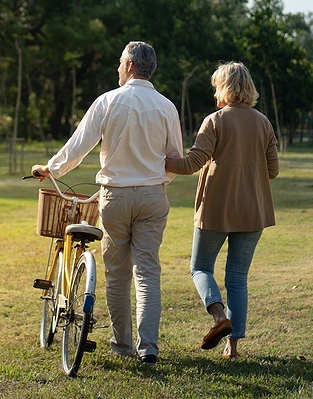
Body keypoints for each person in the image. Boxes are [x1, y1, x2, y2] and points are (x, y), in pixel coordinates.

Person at [32, 41, 183, 366]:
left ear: (129, 65)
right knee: (147, 272)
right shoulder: (166, 106)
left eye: (119, 63)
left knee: (117, 275)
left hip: (115, 197)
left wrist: (51, 168)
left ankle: (121, 343)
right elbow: (174, 160)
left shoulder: (109, 101)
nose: (117, 68)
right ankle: (149, 349)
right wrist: (157, 182)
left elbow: (78, 147)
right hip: (153, 196)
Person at [166, 61, 279, 358]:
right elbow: (273, 170)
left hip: (216, 209)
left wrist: (163, 161)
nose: (214, 91)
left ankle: (219, 317)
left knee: (200, 267)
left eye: (216, 85)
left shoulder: (215, 121)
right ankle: (232, 348)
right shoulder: (264, 122)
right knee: (238, 278)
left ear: (225, 88)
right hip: (253, 211)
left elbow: (191, 164)